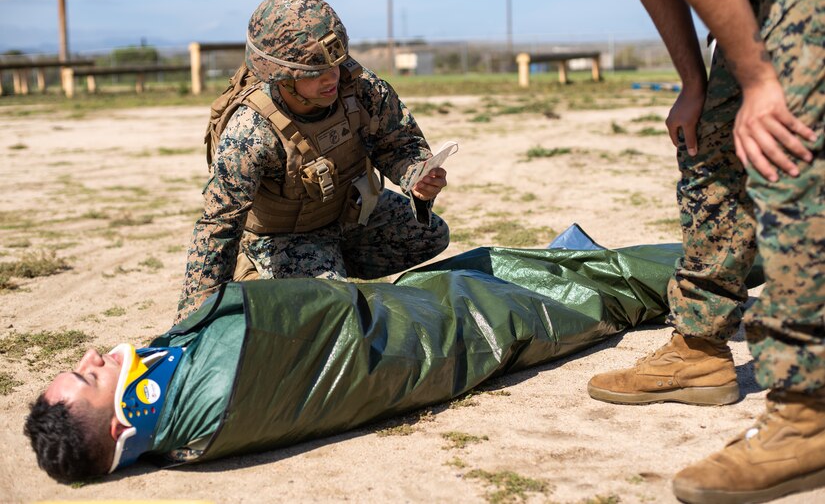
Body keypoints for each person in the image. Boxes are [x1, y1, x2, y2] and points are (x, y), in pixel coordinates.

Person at [26, 227, 692, 483]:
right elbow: (316, 322)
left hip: (410, 316)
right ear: (122, 424)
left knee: (541, 269)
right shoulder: (210, 390)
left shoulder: (182, 419)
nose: (94, 354)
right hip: (435, 334)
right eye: (89, 376)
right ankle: (725, 267)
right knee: (576, 286)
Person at [587, 0, 823, 502]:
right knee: (708, 154)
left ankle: (811, 409)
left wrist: (762, 81)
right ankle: (699, 347)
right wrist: (694, 81)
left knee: (785, 154)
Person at [176, 0, 450, 322]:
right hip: (285, 236)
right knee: (334, 309)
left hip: (345, 215)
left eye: (335, 64)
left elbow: (399, 143)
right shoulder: (251, 131)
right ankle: (259, 273)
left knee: (428, 233)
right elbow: (218, 226)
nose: (332, 77)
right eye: (315, 72)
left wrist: (416, 177)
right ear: (282, 76)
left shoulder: (359, 87)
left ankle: (322, 266)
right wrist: (192, 323)